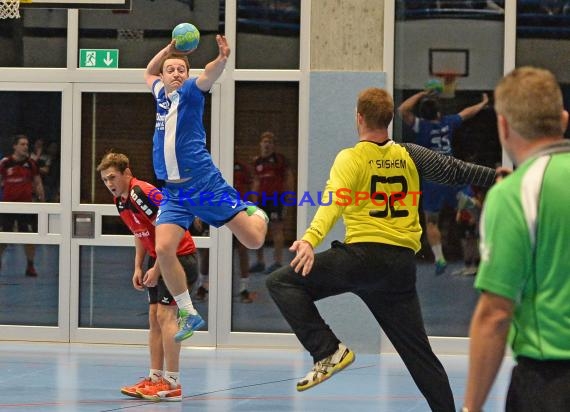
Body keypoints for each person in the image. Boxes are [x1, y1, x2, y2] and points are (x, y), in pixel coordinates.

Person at [266, 87, 498, 411]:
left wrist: (309, 239)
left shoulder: (350, 157)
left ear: (358, 118)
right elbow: (456, 170)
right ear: (389, 120)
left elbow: (333, 202)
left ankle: (327, 350)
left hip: (361, 258)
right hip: (400, 267)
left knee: (281, 282)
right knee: (420, 356)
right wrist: (500, 176)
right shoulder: (410, 154)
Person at [144, 34, 268, 342]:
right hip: (173, 192)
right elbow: (147, 71)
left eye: (180, 70)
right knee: (163, 248)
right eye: (170, 69)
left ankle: (258, 213)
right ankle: (189, 311)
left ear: (186, 75)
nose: (175, 73)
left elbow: (209, 73)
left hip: (202, 184)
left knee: (252, 241)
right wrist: (169, 50)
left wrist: (222, 59)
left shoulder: (191, 91)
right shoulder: (159, 92)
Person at [463, 67, 570, 412]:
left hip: (552, 382)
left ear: (504, 126)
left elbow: (495, 315)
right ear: (563, 120)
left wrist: (470, 408)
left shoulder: (514, 195)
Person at [97, 152, 198, 402]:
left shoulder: (140, 193)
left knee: (166, 315)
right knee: (154, 317)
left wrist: (159, 267)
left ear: (127, 173)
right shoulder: (120, 201)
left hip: (177, 257)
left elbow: (166, 229)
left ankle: (172, 382)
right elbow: (140, 231)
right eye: (105, 180)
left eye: (113, 177)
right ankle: (154, 378)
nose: (109, 183)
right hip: (159, 258)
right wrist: (138, 266)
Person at [398, 90, 489, 274]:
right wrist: (482, 103)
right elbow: (467, 113)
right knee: (475, 209)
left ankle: (439, 258)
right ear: (439, 113)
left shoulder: (420, 126)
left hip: (432, 178)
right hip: (452, 172)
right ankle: (467, 203)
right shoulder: (447, 123)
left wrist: (422, 93)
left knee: (431, 221)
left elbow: (402, 109)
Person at [248, 131, 295, 274]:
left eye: (270, 142)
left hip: (276, 200)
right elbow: (256, 181)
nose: (267, 145)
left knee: (276, 230)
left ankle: (278, 262)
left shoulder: (280, 160)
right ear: (260, 144)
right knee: (258, 230)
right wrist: (253, 201)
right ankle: (260, 262)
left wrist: (289, 195)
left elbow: (289, 177)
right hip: (261, 201)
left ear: (274, 145)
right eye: (264, 142)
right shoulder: (257, 162)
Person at [0, 135, 45, 277]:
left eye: (27, 144)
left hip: (26, 207)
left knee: (29, 237)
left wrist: (42, 200)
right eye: (22, 144)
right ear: (15, 146)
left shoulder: (31, 163)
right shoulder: (5, 163)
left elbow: (37, 182)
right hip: (8, 207)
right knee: (2, 237)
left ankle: (30, 266)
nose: (25, 146)